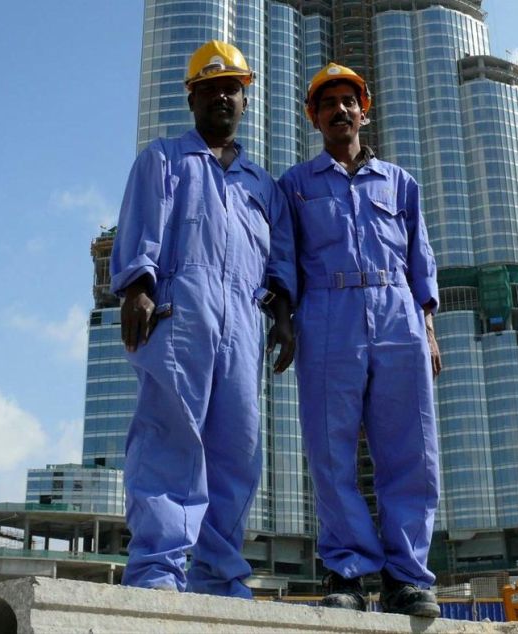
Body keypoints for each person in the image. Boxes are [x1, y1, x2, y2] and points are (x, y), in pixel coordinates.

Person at [110, 40, 295, 598]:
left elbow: (280, 260)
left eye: (231, 89)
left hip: (244, 320)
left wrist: (283, 317)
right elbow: (140, 228)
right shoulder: (163, 158)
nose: (221, 96)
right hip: (179, 311)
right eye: (209, 88)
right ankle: (158, 571)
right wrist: (136, 287)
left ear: (245, 101)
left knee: (236, 449)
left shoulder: (263, 186)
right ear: (192, 99)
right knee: (170, 434)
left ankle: (218, 575)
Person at [278, 63, 442, 617]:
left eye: (350, 101)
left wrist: (429, 328)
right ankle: (348, 571)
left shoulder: (400, 182)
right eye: (329, 104)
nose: (340, 110)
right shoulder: (295, 187)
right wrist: (283, 318)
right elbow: (282, 261)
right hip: (327, 315)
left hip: (399, 316)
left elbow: (420, 258)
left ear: (363, 109)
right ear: (314, 118)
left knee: (411, 451)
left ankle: (407, 578)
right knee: (331, 451)